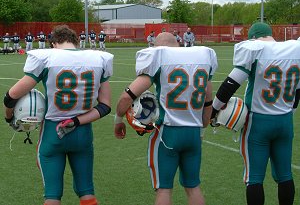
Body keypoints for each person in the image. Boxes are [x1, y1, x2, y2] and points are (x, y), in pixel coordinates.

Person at [3, 25, 114, 205]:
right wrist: (76, 121)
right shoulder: (98, 58)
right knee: (87, 192)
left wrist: (9, 118)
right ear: (76, 41)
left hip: (53, 133)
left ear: (53, 43)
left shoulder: (47, 57)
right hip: (83, 132)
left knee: (52, 195)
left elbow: (11, 96)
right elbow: (105, 106)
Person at [114, 32, 218, 205]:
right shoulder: (202, 58)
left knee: (164, 189)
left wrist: (118, 120)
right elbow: (208, 101)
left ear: (157, 47)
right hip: (193, 133)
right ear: (177, 43)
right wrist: (202, 128)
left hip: (167, 133)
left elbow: (127, 97)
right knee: (193, 187)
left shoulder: (160, 57)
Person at [211, 22, 299, 205]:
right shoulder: (294, 49)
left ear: (252, 38)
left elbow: (230, 84)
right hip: (285, 121)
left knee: (255, 177)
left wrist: (213, 109)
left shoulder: (255, 50)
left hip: (258, 122)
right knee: (284, 174)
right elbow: (298, 91)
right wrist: (290, 109)